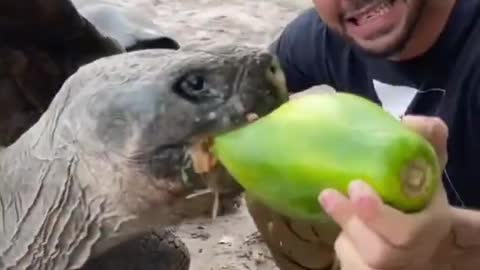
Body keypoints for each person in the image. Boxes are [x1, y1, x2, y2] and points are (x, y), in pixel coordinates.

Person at [244, 0, 480, 269]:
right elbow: (246, 94)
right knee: (269, 186)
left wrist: (450, 244)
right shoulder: (323, 37)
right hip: (382, 208)